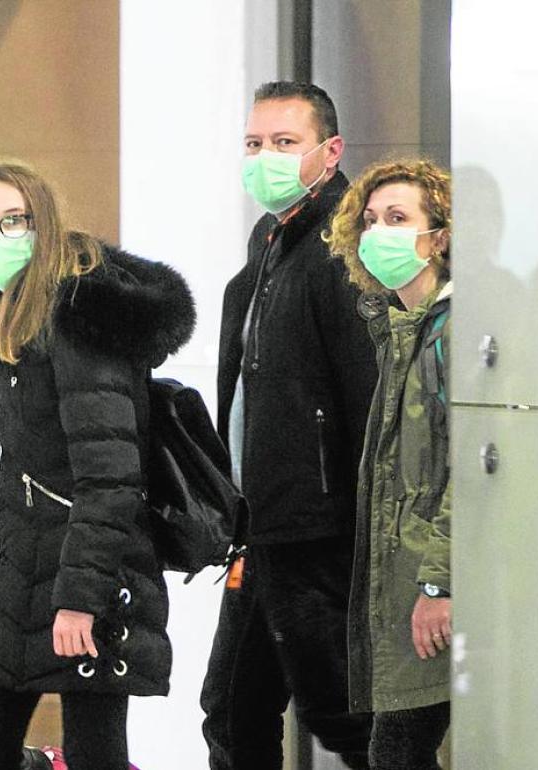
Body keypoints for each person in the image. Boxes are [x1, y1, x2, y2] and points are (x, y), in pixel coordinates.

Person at [0, 159, 196, 770]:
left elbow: (111, 474)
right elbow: (43, 439)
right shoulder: (12, 318)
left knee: (93, 750)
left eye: (13, 221)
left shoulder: (77, 319)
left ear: (43, 227)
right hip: (23, 560)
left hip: (89, 569)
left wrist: (80, 599)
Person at [200, 82, 377, 769]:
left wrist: (364, 539)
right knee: (233, 709)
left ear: (330, 153)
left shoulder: (343, 246)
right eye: (254, 144)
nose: (264, 158)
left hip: (319, 534)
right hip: (260, 529)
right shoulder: (271, 239)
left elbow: (363, 396)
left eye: (284, 143)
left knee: (343, 717)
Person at [327, 159, 453, 770]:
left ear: (441, 237)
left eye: (399, 218)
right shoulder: (398, 330)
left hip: (430, 584)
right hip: (401, 585)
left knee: (398, 753)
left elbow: (465, 475)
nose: (380, 233)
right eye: (372, 220)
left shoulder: (449, 333)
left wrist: (438, 582)